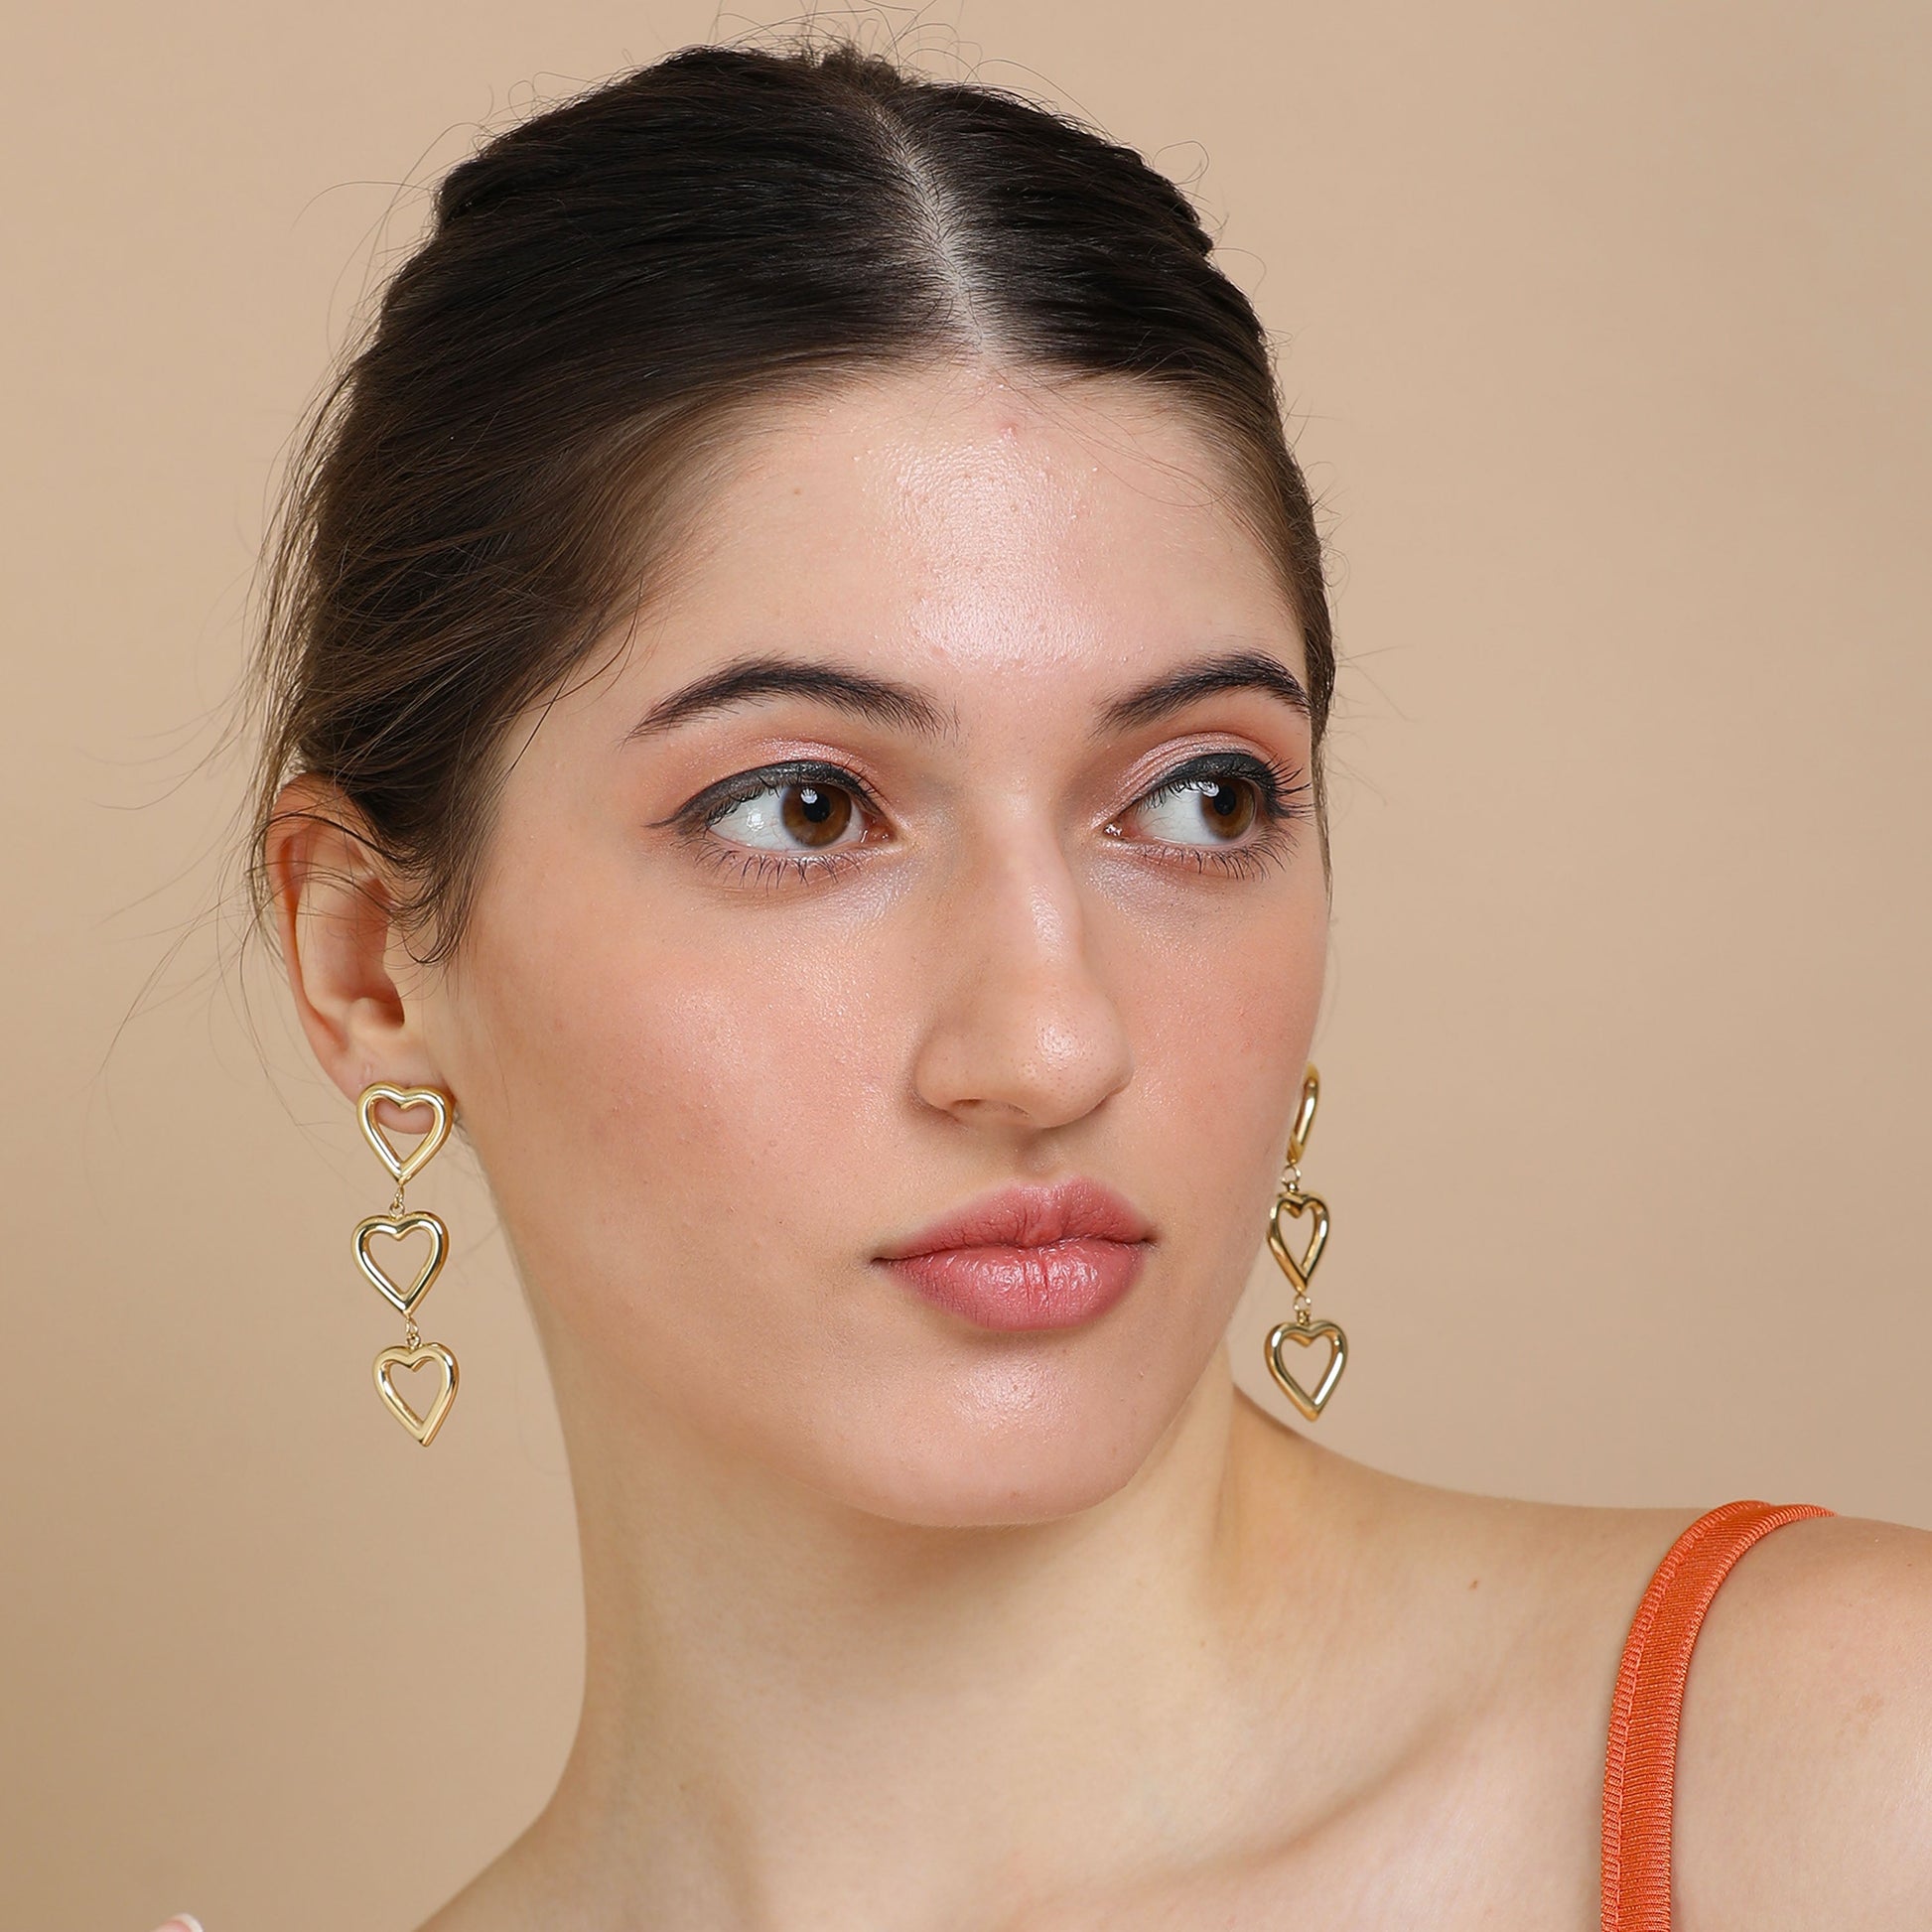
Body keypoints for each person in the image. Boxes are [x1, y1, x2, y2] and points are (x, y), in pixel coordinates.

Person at [234, 37, 1931, 1931]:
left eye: (1196, 797)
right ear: (368, 956)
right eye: (806, 810)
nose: (1050, 1043)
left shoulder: (1854, 1792)